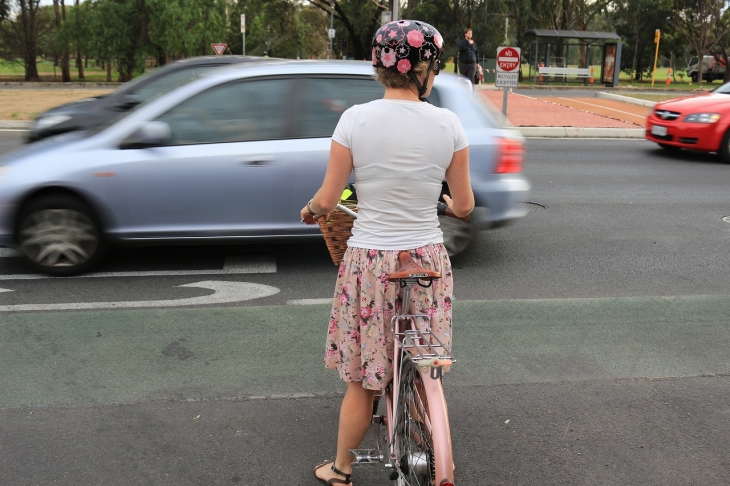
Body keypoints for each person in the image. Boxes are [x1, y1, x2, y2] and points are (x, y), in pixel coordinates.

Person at [301, 19, 474, 486]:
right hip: (426, 261)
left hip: (370, 263)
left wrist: (311, 210)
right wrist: (443, 203)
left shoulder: (354, 119)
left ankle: (341, 469)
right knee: (423, 354)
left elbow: (328, 197)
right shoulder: (449, 124)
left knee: (362, 379)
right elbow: (464, 205)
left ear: (381, 68)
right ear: (425, 70)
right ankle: (431, 429)